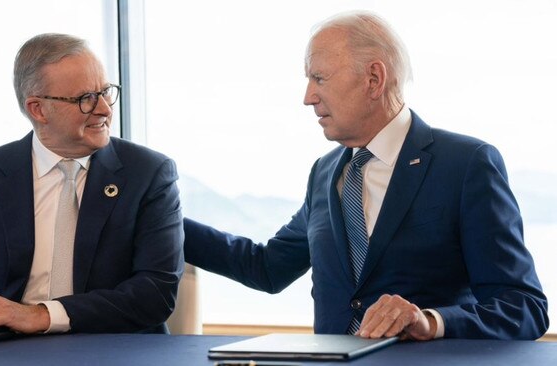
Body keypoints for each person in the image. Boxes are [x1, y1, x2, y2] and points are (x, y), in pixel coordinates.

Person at [184, 11, 548, 340]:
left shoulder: (467, 164)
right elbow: (266, 268)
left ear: (373, 78)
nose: (308, 96)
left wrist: (431, 322)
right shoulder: (324, 172)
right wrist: (159, 216)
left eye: (319, 78)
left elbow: (524, 308)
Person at [0, 33, 184, 338]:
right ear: (38, 109)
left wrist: (39, 315)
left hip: (113, 347)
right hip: (4, 352)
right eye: (86, 99)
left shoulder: (148, 173)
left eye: (106, 92)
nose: (105, 109)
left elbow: (155, 293)